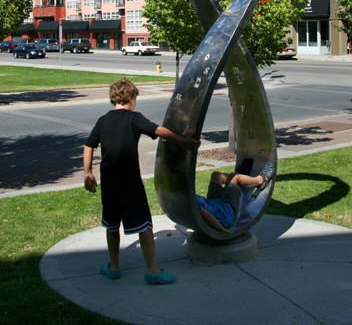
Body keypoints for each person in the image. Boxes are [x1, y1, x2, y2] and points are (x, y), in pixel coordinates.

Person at [83, 77, 200, 285]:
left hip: (109, 182)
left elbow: (88, 145)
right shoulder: (134, 118)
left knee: (112, 224)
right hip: (129, 181)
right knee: (144, 224)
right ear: (130, 98)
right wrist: (183, 141)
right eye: (135, 98)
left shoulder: (103, 120)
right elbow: (158, 131)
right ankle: (153, 271)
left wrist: (87, 172)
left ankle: (114, 267)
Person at [196, 164, 274, 233]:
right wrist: (222, 229)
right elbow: (205, 215)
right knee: (234, 177)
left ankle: (240, 177)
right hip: (226, 214)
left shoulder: (185, 198)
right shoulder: (191, 204)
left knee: (216, 176)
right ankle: (260, 181)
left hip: (212, 205)